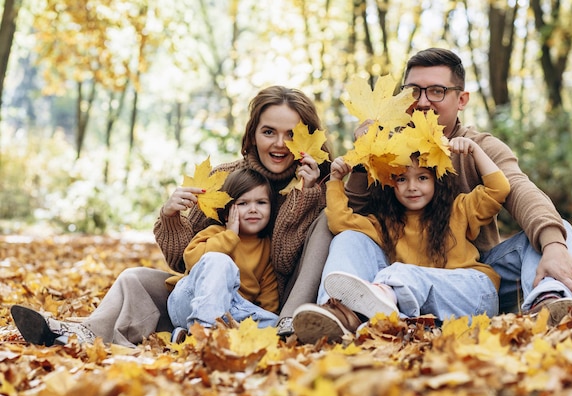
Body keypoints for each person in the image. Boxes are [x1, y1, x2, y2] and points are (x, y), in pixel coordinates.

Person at [277, 47, 572, 339]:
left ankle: (547, 302)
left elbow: (519, 190)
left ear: (462, 99)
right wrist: (364, 155)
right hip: (388, 279)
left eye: (437, 91)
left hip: (469, 275)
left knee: (557, 230)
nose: (423, 101)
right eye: (414, 92)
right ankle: (340, 314)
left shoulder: (478, 147)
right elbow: (352, 217)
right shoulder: (388, 149)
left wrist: (553, 244)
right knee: (347, 237)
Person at [11, 86, 332, 347]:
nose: (279, 143)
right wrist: (171, 219)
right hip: (213, 296)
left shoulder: (321, 184)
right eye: (268, 132)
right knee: (134, 277)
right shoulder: (224, 180)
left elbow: (285, 263)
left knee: (324, 224)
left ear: (308, 138)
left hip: (277, 307)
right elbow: (184, 263)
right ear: (252, 135)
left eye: (291, 135)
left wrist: (306, 195)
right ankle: (84, 333)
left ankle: (281, 329)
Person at [293, 136, 510, 344]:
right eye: (402, 179)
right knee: (347, 238)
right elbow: (340, 222)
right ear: (390, 183)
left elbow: (498, 189)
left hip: (473, 295)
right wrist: (336, 180)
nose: (412, 187)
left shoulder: (459, 209)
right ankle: (335, 313)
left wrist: (474, 149)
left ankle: (381, 296)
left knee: (399, 272)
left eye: (422, 177)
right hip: (428, 312)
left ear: (437, 180)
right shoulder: (387, 225)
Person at [167, 168, 279, 341]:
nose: (253, 209)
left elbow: (268, 297)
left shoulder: (265, 247)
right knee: (219, 260)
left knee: (273, 323)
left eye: (261, 202)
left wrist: (266, 316)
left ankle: (188, 336)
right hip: (191, 300)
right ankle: (203, 333)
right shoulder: (215, 232)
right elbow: (191, 260)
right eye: (243, 203)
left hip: (231, 312)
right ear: (227, 213)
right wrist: (230, 236)